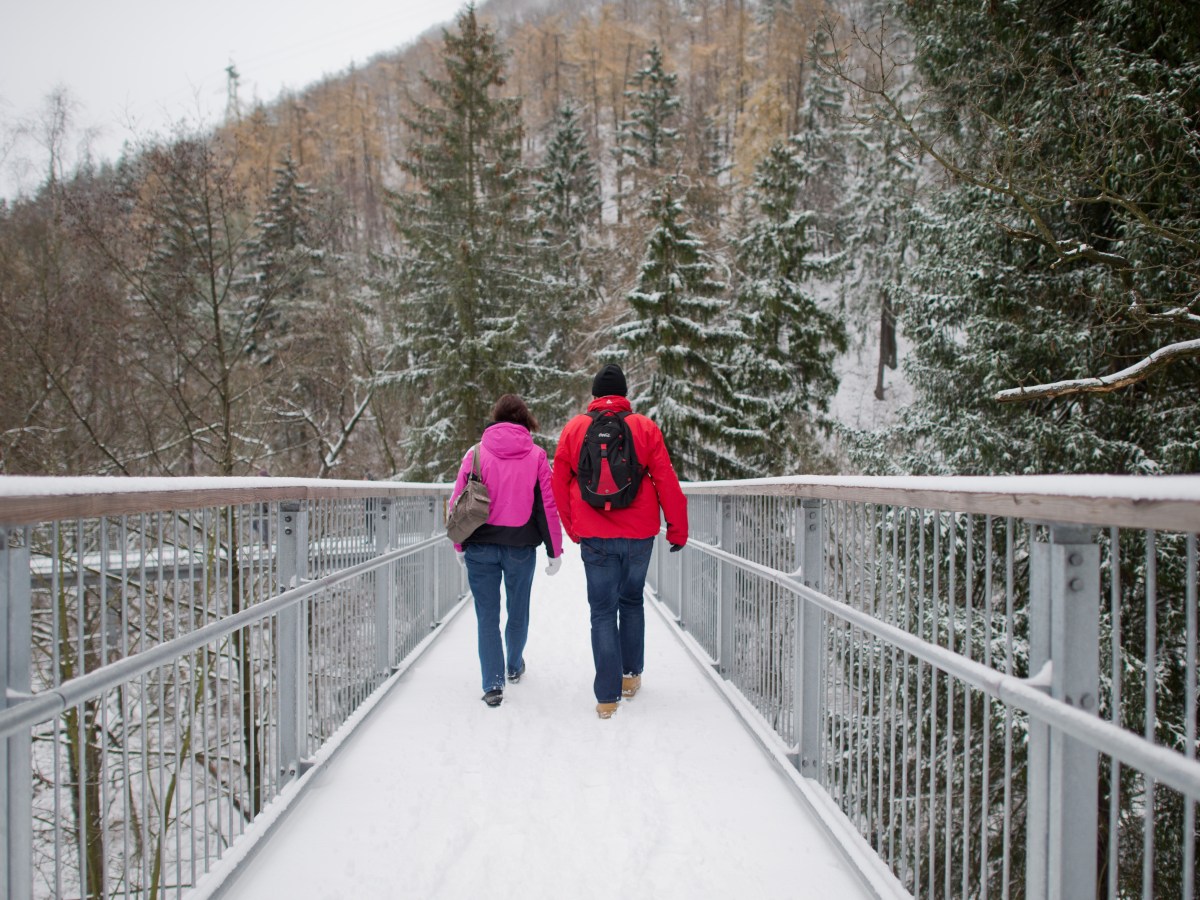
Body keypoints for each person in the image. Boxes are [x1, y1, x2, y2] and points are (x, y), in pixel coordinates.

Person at [552, 363, 688, 719]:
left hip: (594, 533)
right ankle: (630, 677)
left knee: (601, 611)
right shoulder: (643, 427)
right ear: (626, 395)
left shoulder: (575, 428)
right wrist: (677, 528)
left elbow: (558, 484)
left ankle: (606, 698)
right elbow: (666, 480)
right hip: (640, 532)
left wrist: (573, 528)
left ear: (594, 395)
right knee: (631, 602)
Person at [451, 394, 564, 708]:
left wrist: (459, 544)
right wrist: (555, 549)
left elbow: (457, 501)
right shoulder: (537, 456)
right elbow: (547, 506)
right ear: (525, 420)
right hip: (520, 547)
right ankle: (513, 665)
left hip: (480, 546)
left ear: (496, 417)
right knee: (518, 610)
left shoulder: (475, 453)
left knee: (486, 616)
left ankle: (492, 685)